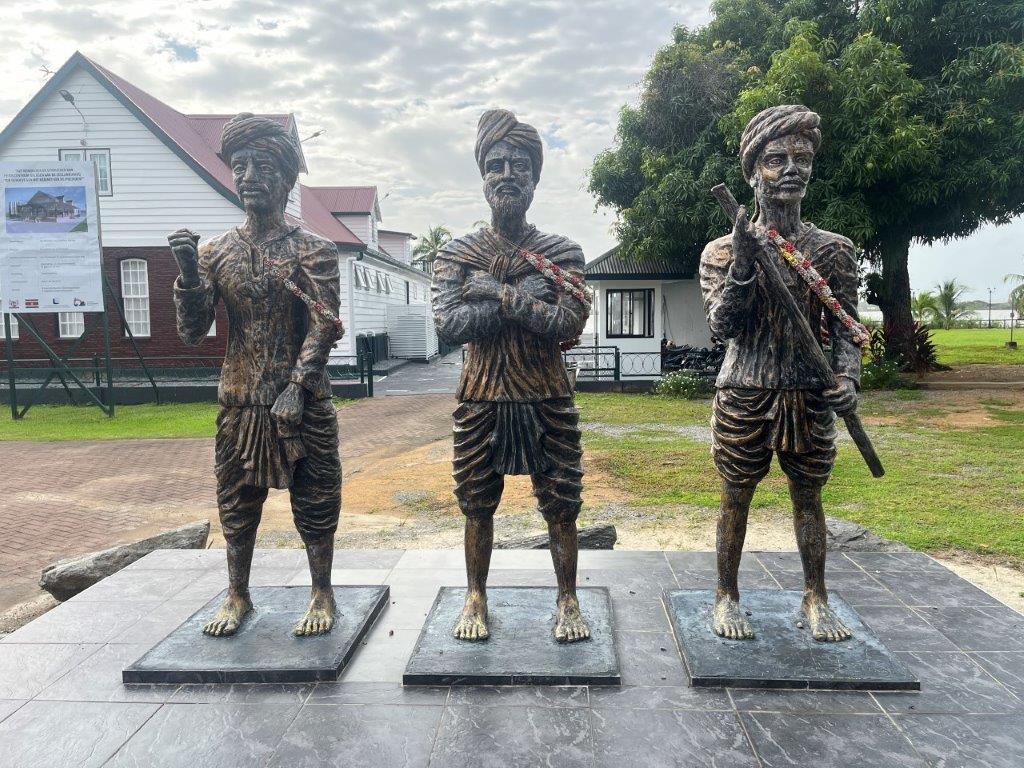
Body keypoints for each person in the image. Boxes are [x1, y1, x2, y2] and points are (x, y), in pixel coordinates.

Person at [170, 113, 343, 638]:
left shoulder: (314, 249)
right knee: (236, 500)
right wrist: (187, 275)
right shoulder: (215, 252)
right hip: (241, 398)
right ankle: (237, 592)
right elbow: (192, 333)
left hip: (302, 401)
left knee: (316, 496)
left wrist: (298, 386)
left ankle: (321, 590)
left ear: (286, 177)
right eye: (240, 166)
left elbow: (325, 322)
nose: (248, 177)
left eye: (262, 166)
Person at [699, 105, 861, 642]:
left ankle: (816, 596)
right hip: (745, 389)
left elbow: (847, 328)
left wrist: (848, 378)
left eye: (802, 158)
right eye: (776, 159)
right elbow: (724, 326)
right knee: (736, 495)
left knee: (809, 497)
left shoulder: (832, 250)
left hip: (808, 393)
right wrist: (745, 264)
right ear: (753, 172)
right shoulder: (722, 251)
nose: (791, 169)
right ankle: (726, 595)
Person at [432, 108, 591, 643]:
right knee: (477, 503)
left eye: (519, 165)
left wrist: (498, 294)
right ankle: (475, 596)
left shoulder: (561, 253)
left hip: (547, 394)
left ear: (535, 177)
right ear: (482, 176)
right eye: (495, 165)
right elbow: (450, 326)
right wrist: (525, 302)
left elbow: (567, 322)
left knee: (562, 503)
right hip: (481, 396)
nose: (506, 175)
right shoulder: (457, 253)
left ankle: (568, 599)